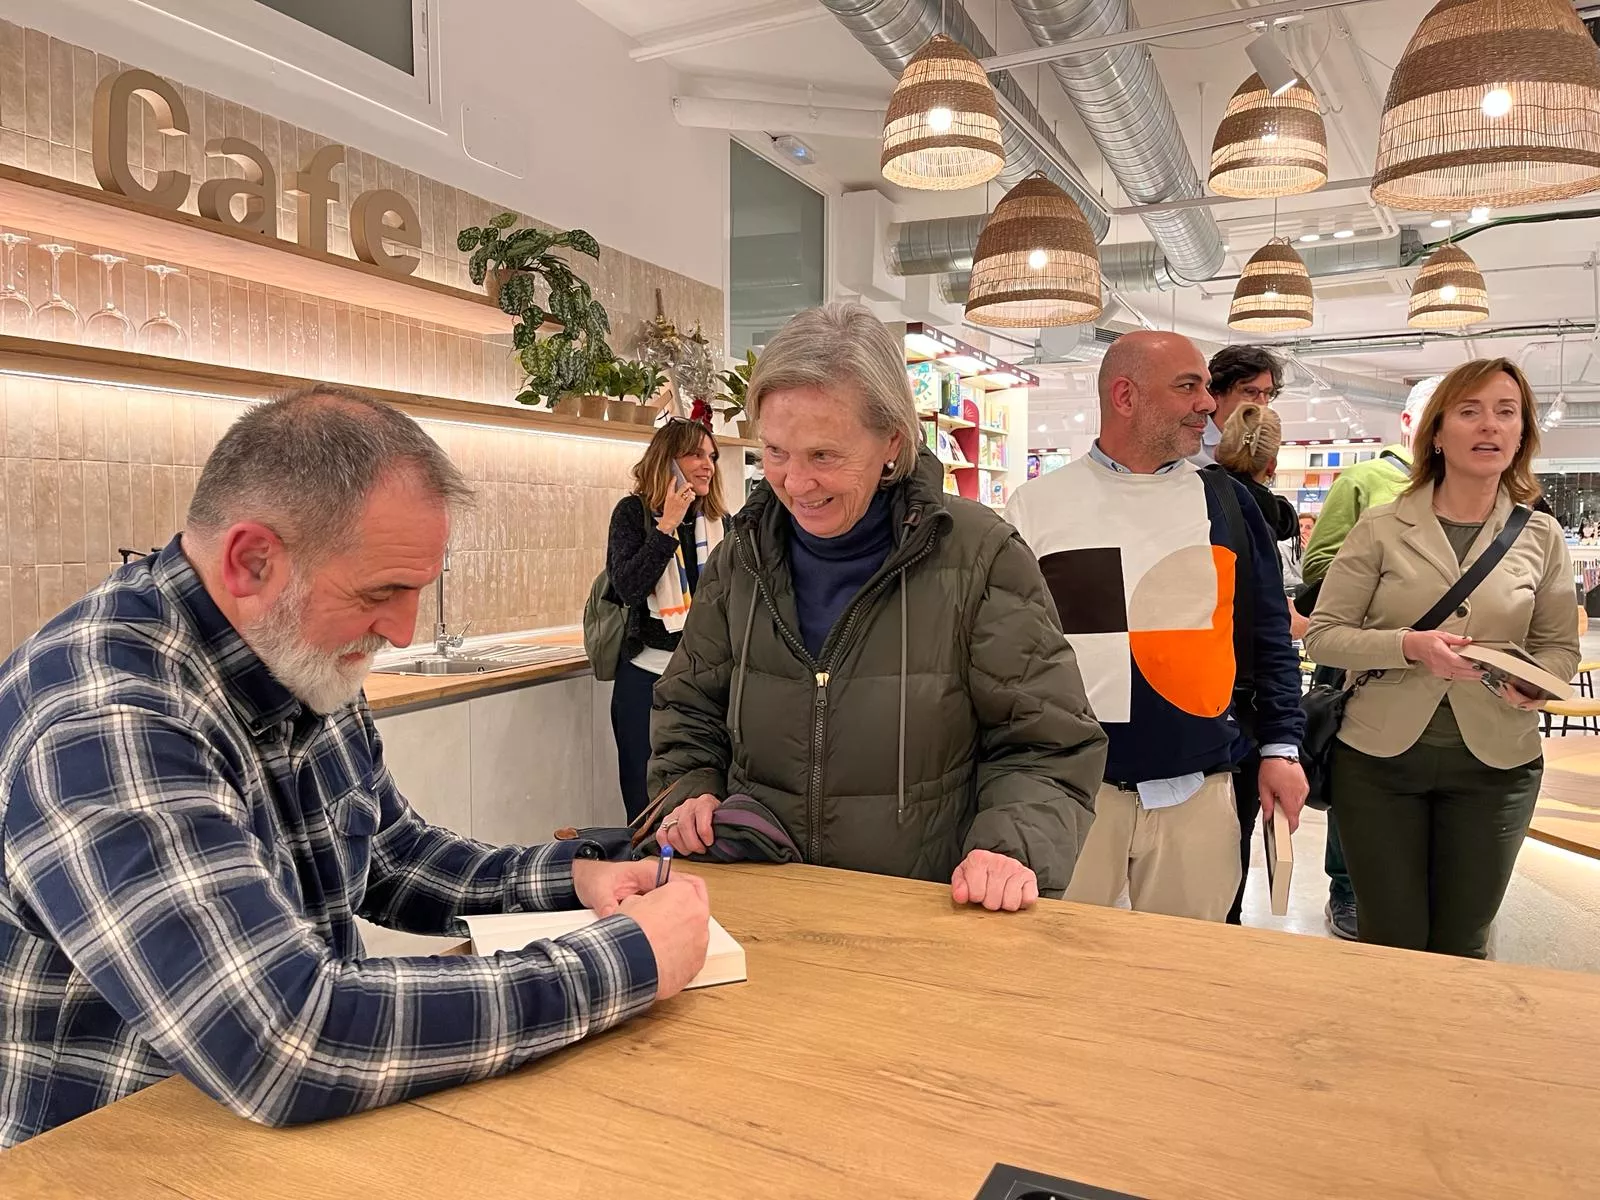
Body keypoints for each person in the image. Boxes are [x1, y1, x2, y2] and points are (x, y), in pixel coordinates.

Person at [0, 387, 712, 1148]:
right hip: (120, 1155)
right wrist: (623, 963)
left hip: (278, 1137)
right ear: (251, 560)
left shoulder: (292, 650)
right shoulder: (105, 719)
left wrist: (572, 878)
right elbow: (284, 1037)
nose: (402, 632)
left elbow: (391, 856)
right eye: (383, 593)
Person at [648, 302, 1107, 911]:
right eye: (777, 452)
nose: (795, 483)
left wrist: (1011, 846)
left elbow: (1046, 742)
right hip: (765, 907)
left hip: (923, 916)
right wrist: (691, 792)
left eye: (825, 456)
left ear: (891, 440)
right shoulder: (742, 558)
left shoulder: (980, 556)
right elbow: (689, 709)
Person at [1006, 331, 1307, 923]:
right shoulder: (1036, 506)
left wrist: (1281, 746)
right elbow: (1012, 655)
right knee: (1056, 969)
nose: (1207, 403)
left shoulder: (1226, 503)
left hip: (1200, 785)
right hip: (1072, 788)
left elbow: (1269, 634)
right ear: (1125, 395)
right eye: (1188, 386)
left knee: (1190, 980)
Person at [1304, 358, 1579, 958]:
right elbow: (1323, 635)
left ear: (1523, 434)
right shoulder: (1381, 527)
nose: (1490, 426)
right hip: (1378, 764)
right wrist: (1407, 645)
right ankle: (1390, 1052)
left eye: (1506, 413)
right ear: (1436, 432)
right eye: (1470, 411)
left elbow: (1558, 648)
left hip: (1497, 768)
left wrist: (1537, 683)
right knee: (1391, 941)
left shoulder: (1541, 536)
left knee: (1463, 942)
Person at [1295, 375, 1438, 940]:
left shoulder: (1476, 490)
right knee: (1354, 769)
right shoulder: (1366, 480)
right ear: (1408, 422)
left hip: (1444, 671)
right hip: (1363, 658)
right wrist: (1388, 589)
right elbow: (1318, 570)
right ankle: (1346, 889)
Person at [605, 418, 729, 821]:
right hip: (645, 680)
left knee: (703, 803)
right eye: (695, 454)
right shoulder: (633, 514)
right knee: (644, 802)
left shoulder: (721, 525)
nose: (707, 464)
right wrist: (667, 527)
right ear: (667, 461)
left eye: (711, 456)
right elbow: (627, 588)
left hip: (708, 683)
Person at [1213, 401, 1302, 925]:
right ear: (1272, 462)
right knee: (1231, 851)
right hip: (1244, 711)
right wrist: (1282, 743)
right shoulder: (1268, 518)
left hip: (1199, 706)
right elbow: (1275, 634)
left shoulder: (1202, 499)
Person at [1193, 343, 1283, 465]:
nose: (1261, 402)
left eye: (1268, 392)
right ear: (1216, 393)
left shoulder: (1261, 446)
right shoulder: (1191, 447)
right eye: (1250, 391)